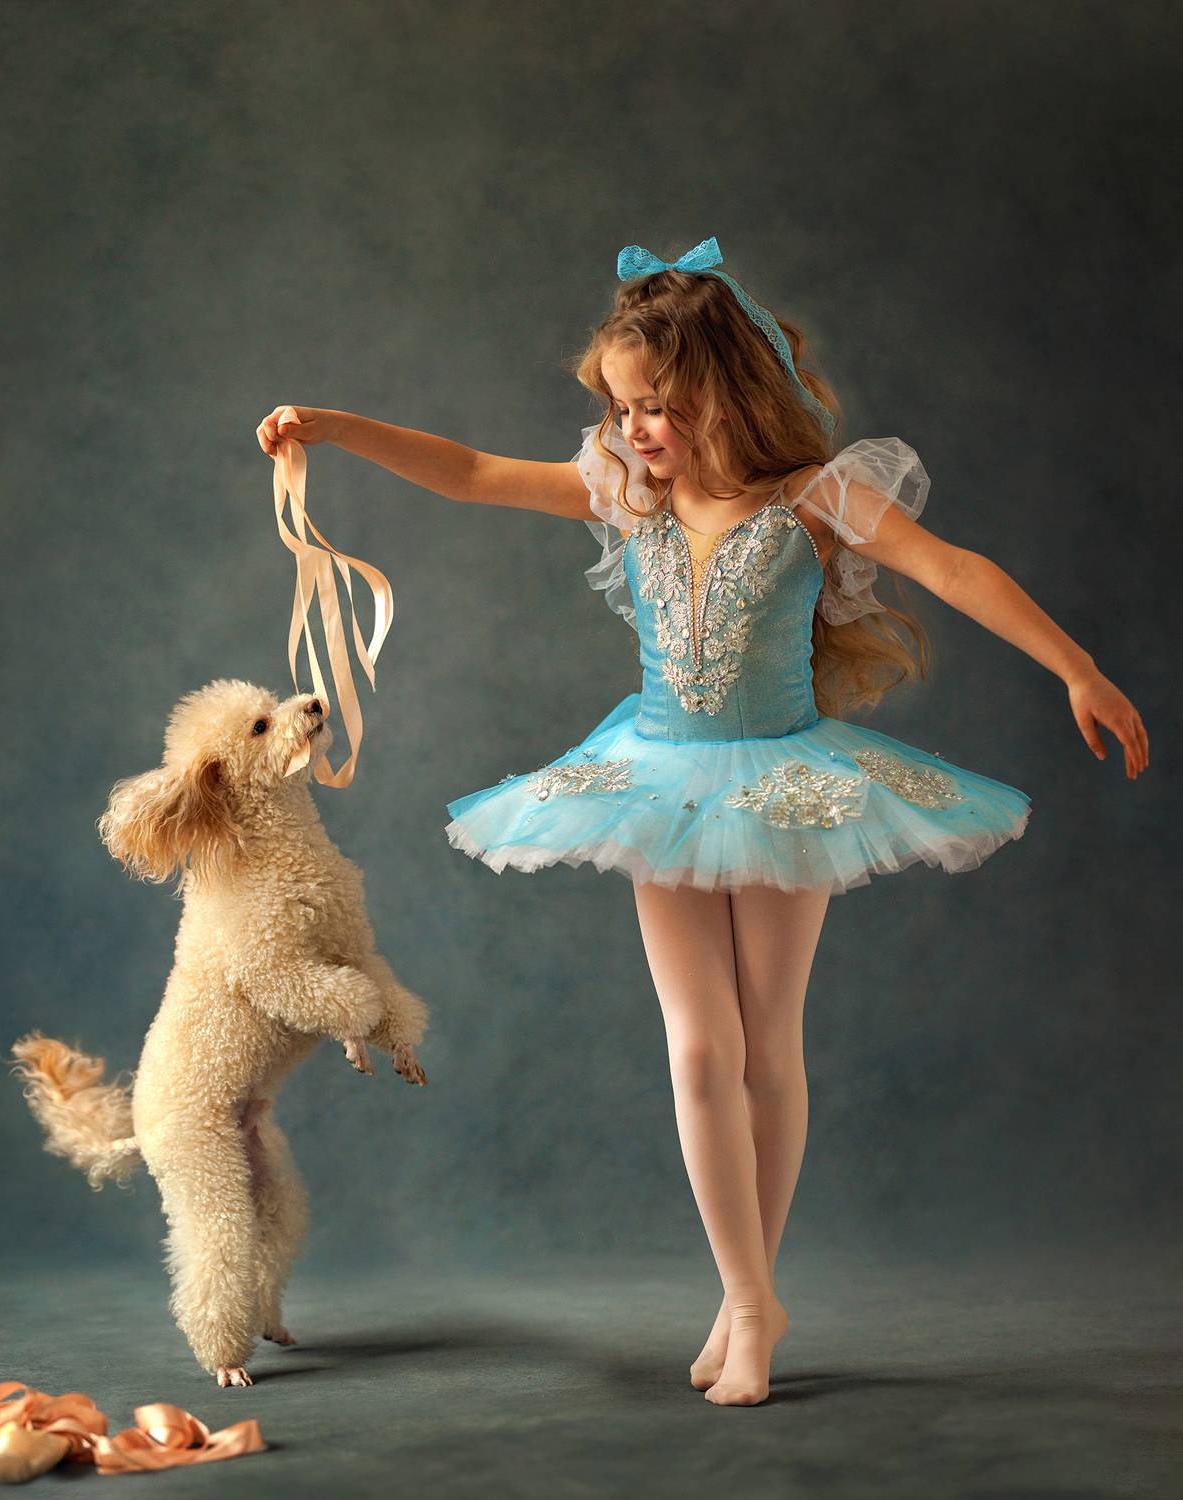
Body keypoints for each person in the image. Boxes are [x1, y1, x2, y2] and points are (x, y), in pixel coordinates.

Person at [255, 236, 1149, 1407]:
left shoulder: (814, 497)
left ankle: (752, 1300)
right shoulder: (629, 492)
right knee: (696, 1047)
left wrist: (1077, 667)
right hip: (659, 782)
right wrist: (332, 426)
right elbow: (471, 472)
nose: (635, 430)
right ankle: (745, 1294)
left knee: (768, 1045)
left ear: (724, 390)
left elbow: (952, 569)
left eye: (657, 407)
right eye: (622, 407)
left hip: (784, 785)